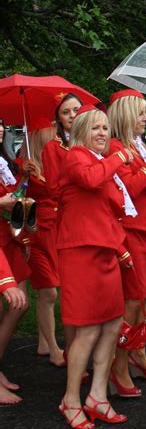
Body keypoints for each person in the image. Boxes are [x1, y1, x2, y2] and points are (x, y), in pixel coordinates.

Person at [56, 105, 133, 429]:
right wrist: (119, 158)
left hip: (105, 254)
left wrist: (120, 248)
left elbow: (110, 210)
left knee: (113, 324)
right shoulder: (76, 156)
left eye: (106, 128)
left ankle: (98, 397)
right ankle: (71, 399)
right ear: (80, 131)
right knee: (87, 330)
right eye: (96, 128)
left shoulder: (103, 164)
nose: (103, 133)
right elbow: (90, 181)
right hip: (80, 255)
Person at [107, 89, 146, 396]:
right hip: (129, 232)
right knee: (132, 299)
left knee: (141, 297)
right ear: (126, 115)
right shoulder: (114, 147)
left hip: (145, 228)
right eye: (141, 113)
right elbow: (127, 189)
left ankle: (137, 351)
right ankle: (117, 364)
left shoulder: (136, 145)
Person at [17, 118, 64, 366]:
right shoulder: (24, 168)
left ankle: (45, 341)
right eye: (51, 137)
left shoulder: (53, 165)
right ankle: (53, 347)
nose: (56, 140)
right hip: (36, 234)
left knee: (53, 290)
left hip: (57, 233)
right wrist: (25, 177)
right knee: (48, 291)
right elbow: (16, 202)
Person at [41, 93, 83, 361]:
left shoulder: (92, 141)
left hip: (86, 220)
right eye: (66, 112)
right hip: (63, 220)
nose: (72, 116)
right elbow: (54, 188)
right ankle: (70, 350)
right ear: (58, 117)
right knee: (66, 289)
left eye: (76, 110)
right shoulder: (52, 148)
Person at [0, 118, 30, 405]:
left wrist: (24, 178)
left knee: (20, 304)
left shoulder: (4, 160)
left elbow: (13, 197)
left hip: (8, 241)